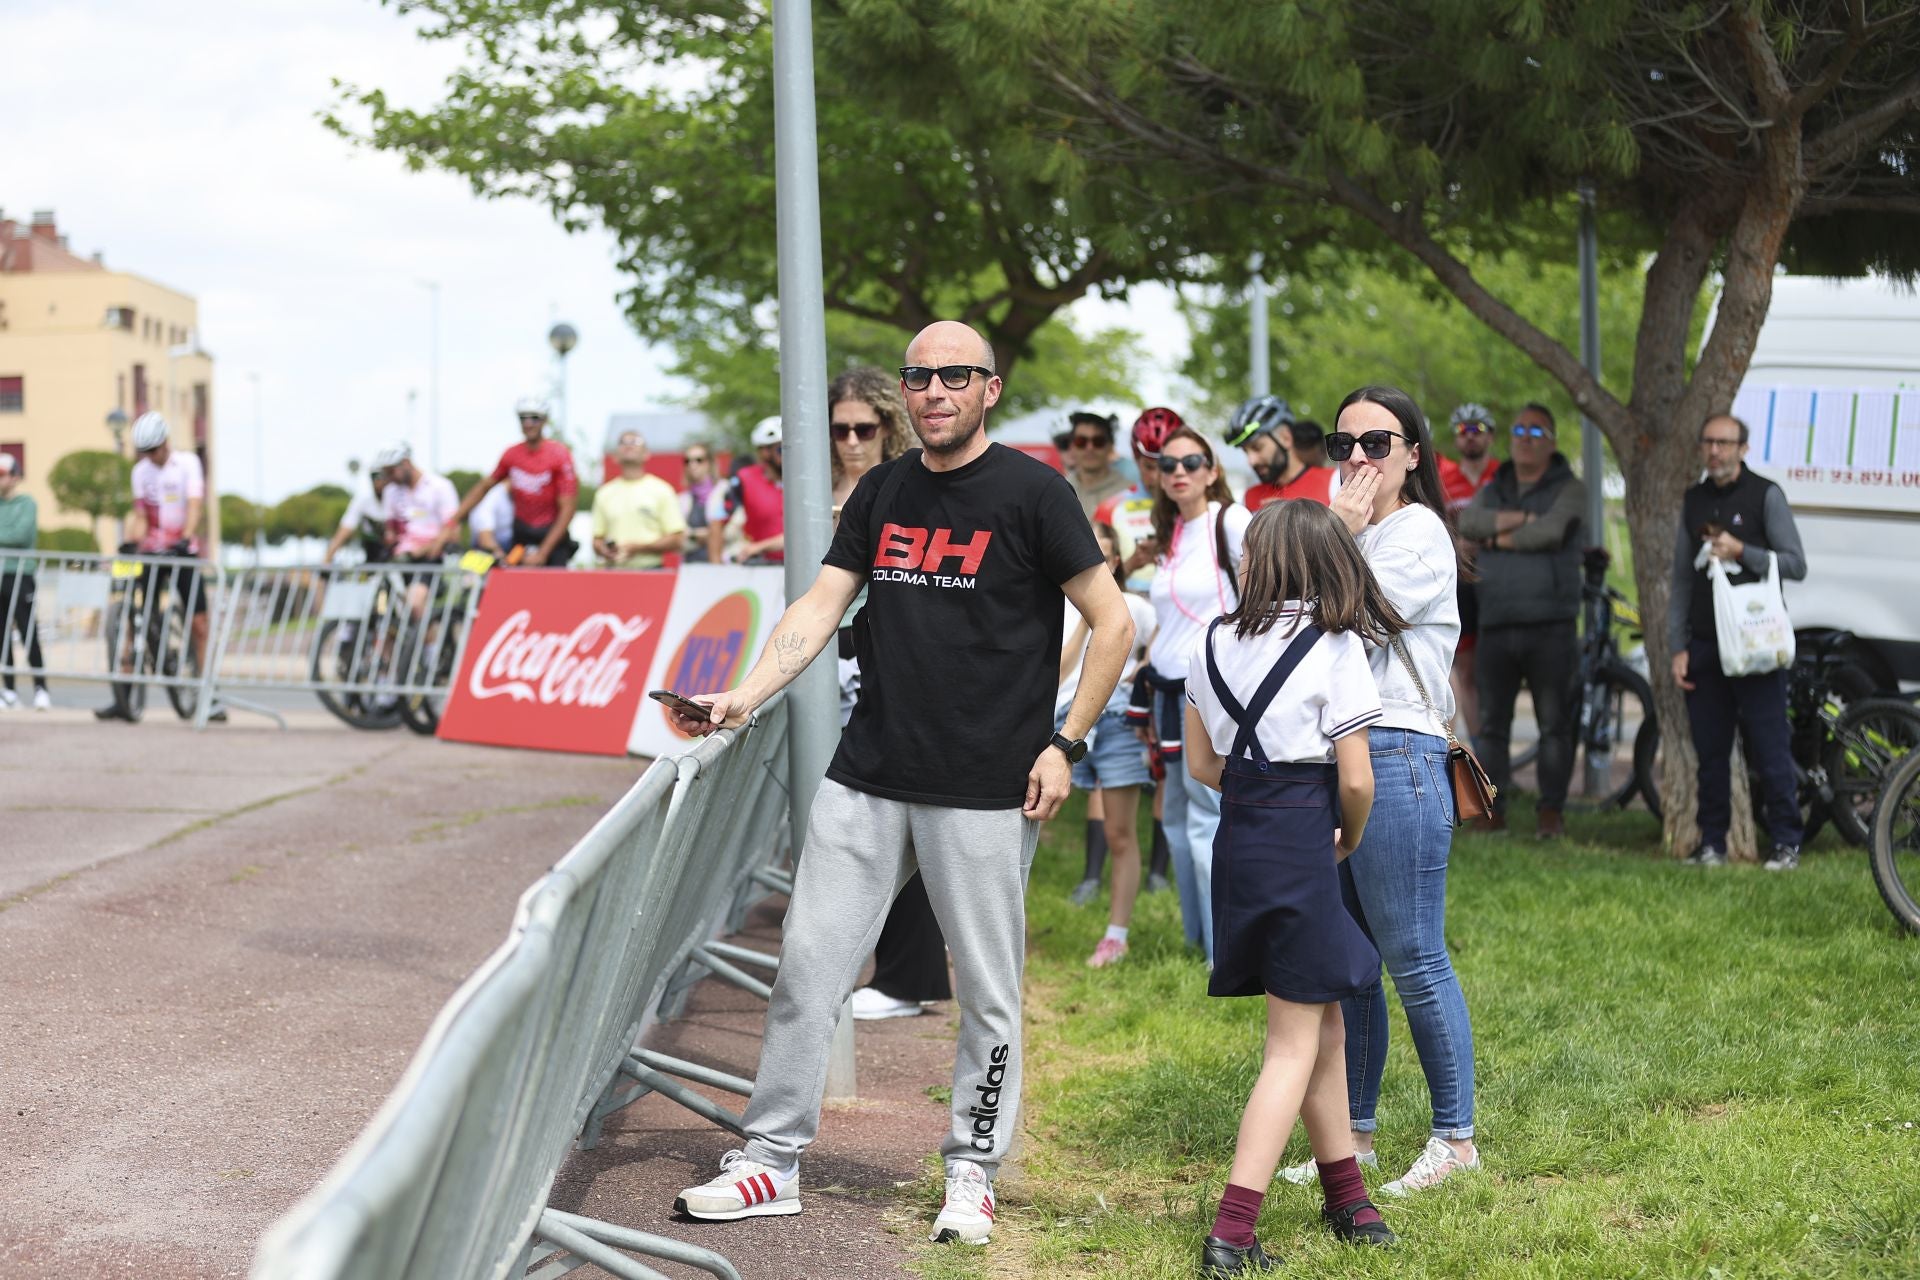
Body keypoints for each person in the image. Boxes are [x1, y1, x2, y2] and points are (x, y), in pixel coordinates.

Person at [667, 320, 1134, 1246]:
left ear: (989, 388)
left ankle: (972, 1175)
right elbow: (821, 604)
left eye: (954, 376)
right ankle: (769, 1162)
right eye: (920, 377)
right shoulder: (883, 488)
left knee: (988, 994)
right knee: (809, 967)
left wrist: (1065, 744)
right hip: (870, 775)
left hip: (989, 786)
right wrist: (744, 698)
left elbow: (1112, 623)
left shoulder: (1036, 494)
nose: (934, 392)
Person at [1185, 499, 1401, 1275]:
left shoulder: (1210, 640)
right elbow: (1358, 778)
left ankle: (1348, 1198)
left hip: (1241, 841)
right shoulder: (1335, 647)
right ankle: (1232, 1231)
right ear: (1326, 563)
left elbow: (1202, 766)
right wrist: (1349, 834)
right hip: (1306, 841)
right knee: (1292, 1045)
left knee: (1324, 1022)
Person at [1298, 383, 1481, 1198]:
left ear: (1415, 454)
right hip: (1339, 757)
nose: (1360, 460)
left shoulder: (1417, 533)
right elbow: (1284, 622)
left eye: (1379, 443)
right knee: (1353, 965)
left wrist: (1340, 530)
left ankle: (1455, 1139)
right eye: (1344, 446)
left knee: (1414, 955)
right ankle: (1359, 1134)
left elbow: (1345, 617)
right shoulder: (1345, 529)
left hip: (1400, 750)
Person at [822, 365, 950, 1023]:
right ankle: (872, 966)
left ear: (886, 425)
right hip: (824, 664)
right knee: (850, 829)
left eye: (862, 427)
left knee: (907, 823)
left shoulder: (903, 488)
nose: (849, 440)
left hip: (888, 662)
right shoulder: (814, 489)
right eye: (838, 428)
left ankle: (910, 975)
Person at [1671, 413, 1809, 870]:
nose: (1715, 451)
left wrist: (1742, 552)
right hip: (1707, 644)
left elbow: (1795, 564)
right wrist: (1679, 646)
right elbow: (1681, 580)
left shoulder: (1765, 495)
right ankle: (1712, 844)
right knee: (1711, 752)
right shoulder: (1693, 499)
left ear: (1743, 449)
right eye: (1708, 442)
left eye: (1725, 443)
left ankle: (1787, 842)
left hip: (1758, 643)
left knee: (1770, 748)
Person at [1136, 426, 1250, 965]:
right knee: (1176, 819)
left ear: (1212, 470)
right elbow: (1169, 620)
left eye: (1191, 461)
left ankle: (1221, 951)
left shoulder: (1231, 522)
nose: (1178, 471)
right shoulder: (1171, 535)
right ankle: (1195, 939)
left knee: (1208, 814)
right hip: (1164, 692)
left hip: (1209, 693)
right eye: (1167, 463)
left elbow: (1264, 597)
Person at [1455, 402, 1587, 838]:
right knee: (1492, 725)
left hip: (1552, 623)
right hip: (1497, 621)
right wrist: (1515, 524)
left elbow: (1551, 532)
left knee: (1555, 725)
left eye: (1536, 432)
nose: (1525, 439)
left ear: (1551, 442)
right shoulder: (1498, 485)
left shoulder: (1570, 487)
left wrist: (1494, 537)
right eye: (1519, 431)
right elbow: (1469, 520)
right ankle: (1494, 810)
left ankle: (1551, 812)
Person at [1057, 523, 1158, 967]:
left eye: (1102, 555)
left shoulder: (1135, 605)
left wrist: (1138, 676)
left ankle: (1116, 935)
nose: (1092, 562)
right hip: (1060, 721)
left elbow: (1158, 645)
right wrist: (1085, 617)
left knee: (1120, 832)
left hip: (1115, 721)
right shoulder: (1053, 605)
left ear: (1115, 562)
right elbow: (1058, 673)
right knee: (1028, 823)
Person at [97, 412, 210, 723]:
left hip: (182, 550)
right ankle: (124, 695)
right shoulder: (140, 472)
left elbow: (195, 505)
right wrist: (130, 541)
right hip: (152, 551)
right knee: (135, 617)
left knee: (199, 623)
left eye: (155, 450)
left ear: (165, 442)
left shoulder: (188, 464)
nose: (152, 457)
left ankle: (208, 694)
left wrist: (185, 539)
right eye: (145, 452)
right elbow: (141, 516)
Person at [441, 395, 579, 567]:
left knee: (556, 590)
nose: (528, 423)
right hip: (521, 534)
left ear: (544, 421)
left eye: (534, 418)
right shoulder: (511, 454)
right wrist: (453, 521)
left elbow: (568, 508)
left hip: (552, 535)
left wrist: (543, 552)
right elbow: (484, 487)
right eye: (523, 418)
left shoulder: (560, 454)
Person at [1437, 404, 1499, 741]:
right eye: (1463, 431)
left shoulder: (1503, 476)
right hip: (1461, 584)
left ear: (1491, 435)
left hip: (1502, 582)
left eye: (1477, 429)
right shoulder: (1445, 480)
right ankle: (1477, 758)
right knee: (1466, 669)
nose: (1470, 437)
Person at [373, 442, 461, 620]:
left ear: (405, 463)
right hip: (400, 559)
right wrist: (387, 535)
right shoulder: (391, 491)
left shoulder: (439, 486)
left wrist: (425, 549)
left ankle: (428, 647)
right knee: (384, 609)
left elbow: (453, 530)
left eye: (391, 471)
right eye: (385, 473)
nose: (389, 478)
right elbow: (391, 528)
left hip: (431, 558)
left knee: (415, 603)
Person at [1226, 394, 1339, 512]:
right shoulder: (1249, 498)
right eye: (1245, 451)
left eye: (1257, 447)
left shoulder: (1333, 483)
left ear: (1286, 438)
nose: (1251, 461)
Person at [592, 430, 686, 569]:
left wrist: (638, 548)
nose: (629, 445)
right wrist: (604, 549)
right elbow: (597, 539)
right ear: (615, 456)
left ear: (646, 454)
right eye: (623, 442)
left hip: (651, 572)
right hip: (613, 572)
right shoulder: (604, 493)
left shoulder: (662, 490)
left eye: (635, 442)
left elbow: (677, 539)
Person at [0, 453, 50, 711]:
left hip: (20, 576)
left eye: (2, 474)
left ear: (15, 476)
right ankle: (8, 691)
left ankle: (41, 689)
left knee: (28, 630)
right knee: (1, 636)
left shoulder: (26, 503)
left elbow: (20, 535)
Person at [324, 466, 394, 565]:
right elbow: (344, 531)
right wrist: (326, 560)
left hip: (399, 550)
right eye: (375, 478)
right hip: (373, 551)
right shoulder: (363, 500)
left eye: (382, 478)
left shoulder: (398, 497)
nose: (378, 483)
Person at [1064, 411, 1130, 517]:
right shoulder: (1060, 491)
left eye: (1098, 441)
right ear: (1072, 446)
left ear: (1110, 446)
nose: (1090, 448)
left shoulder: (1129, 492)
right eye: (1081, 441)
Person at [679, 445, 720, 563]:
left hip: (724, 565)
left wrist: (710, 535)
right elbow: (678, 538)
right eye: (687, 461)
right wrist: (696, 534)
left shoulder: (725, 492)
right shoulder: (683, 500)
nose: (693, 465)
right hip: (691, 566)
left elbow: (732, 531)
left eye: (699, 460)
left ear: (709, 463)